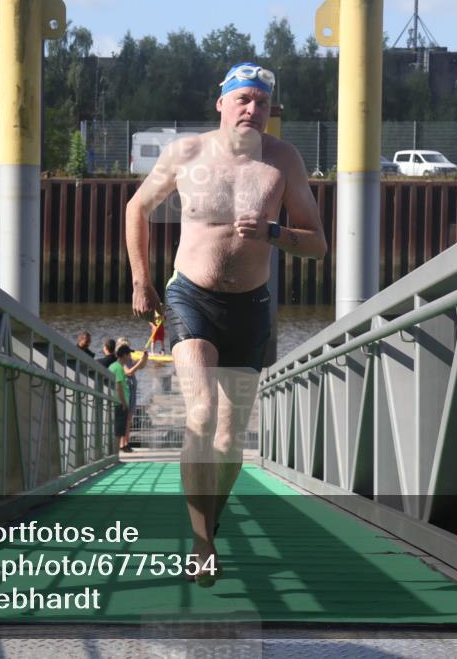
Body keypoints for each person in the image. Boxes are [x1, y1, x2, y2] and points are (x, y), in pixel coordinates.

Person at [125, 62, 327, 586]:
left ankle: (208, 515)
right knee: (202, 410)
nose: (252, 110)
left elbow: (318, 243)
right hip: (190, 297)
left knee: (232, 440)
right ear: (221, 103)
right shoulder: (186, 155)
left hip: (251, 306)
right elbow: (137, 208)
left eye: (262, 102)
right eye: (243, 100)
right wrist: (141, 282)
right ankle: (201, 543)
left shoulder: (283, 162)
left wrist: (275, 231)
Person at [116, 337, 148, 449]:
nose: (129, 352)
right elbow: (129, 372)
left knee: (129, 419)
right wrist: (139, 362)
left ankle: (126, 443)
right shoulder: (121, 361)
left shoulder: (129, 360)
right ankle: (121, 443)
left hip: (132, 392)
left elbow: (141, 366)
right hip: (126, 392)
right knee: (124, 419)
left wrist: (144, 358)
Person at [109, 344, 136, 452]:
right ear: (124, 355)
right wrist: (124, 403)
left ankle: (114, 453)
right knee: (119, 431)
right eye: (129, 354)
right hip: (119, 403)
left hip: (115, 402)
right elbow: (118, 387)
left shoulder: (113, 366)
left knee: (117, 430)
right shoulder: (119, 368)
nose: (130, 357)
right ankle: (115, 455)